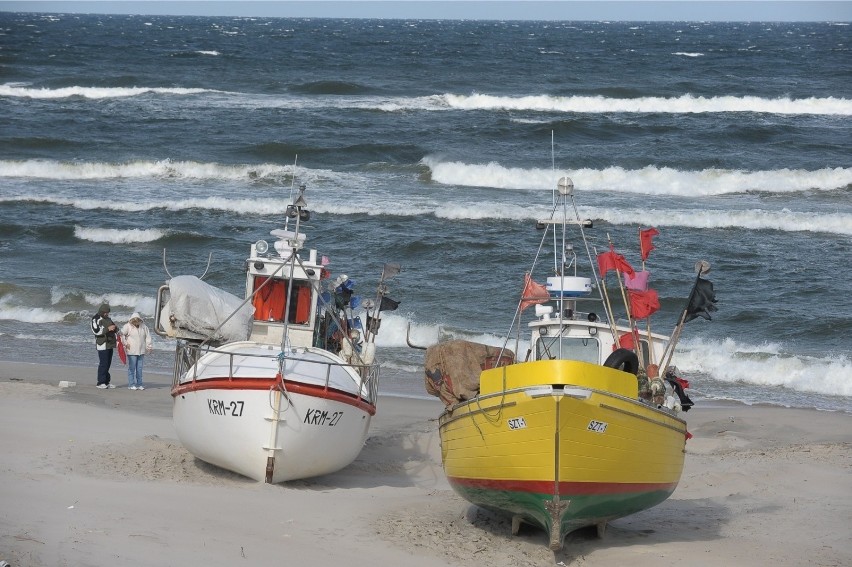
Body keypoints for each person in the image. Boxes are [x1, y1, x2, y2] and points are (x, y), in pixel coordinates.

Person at [121, 312, 153, 390]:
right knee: (132, 368)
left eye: (137, 321)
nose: (136, 323)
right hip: (131, 351)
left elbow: (148, 337)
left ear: (139, 320)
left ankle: (139, 384)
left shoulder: (144, 327)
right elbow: (121, 335)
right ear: (131, 320)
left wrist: (149, 346)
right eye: (134, 321)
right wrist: (125, 343)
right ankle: (131, 384)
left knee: (139, 368)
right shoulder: (127, 326)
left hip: (141, 351)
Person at [90, 302, 117, 389]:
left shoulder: (108, 319)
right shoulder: (96, 319)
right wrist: (108, 329)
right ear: (102, 311)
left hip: (110, 344)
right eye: (106, 312)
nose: (107, 314)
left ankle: (106, 381)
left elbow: (114, 327)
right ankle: (100, 382)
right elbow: (96, 331)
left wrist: (116, 329)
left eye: (108, 312)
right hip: (102, 344)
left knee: (108, 363)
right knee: (103, 363)